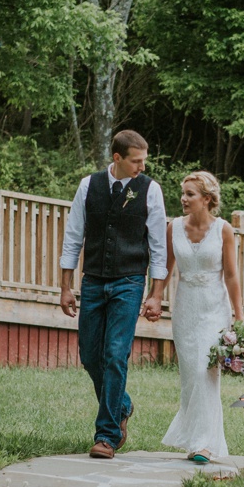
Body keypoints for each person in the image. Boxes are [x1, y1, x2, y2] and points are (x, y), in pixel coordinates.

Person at [58, 130, 169, 459]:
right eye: (136, 160)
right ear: (117, 158)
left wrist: (156, 293)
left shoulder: (150, 190)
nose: (142, 166)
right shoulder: (87, 186)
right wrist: (65, 286)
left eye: (144, 160)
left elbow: (159, 245)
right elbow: (73, 237)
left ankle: (106, 436)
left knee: (115, 355)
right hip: (92, 280)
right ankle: (122, 405)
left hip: (130, 281)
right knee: (90, 356)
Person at [160, 171, 244, 464]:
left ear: (207, 199)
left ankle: (204, 444)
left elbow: (232, 275)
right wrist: (154, 296)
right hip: (184, 307)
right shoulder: (173, 227)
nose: (183, 199)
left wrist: (240, 316)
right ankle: (193, 439)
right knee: (189, 375)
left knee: (205, 371)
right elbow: (166, 268)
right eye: (183, 193)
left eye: (190, 194)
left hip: (214, 308)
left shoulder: (223, 230)